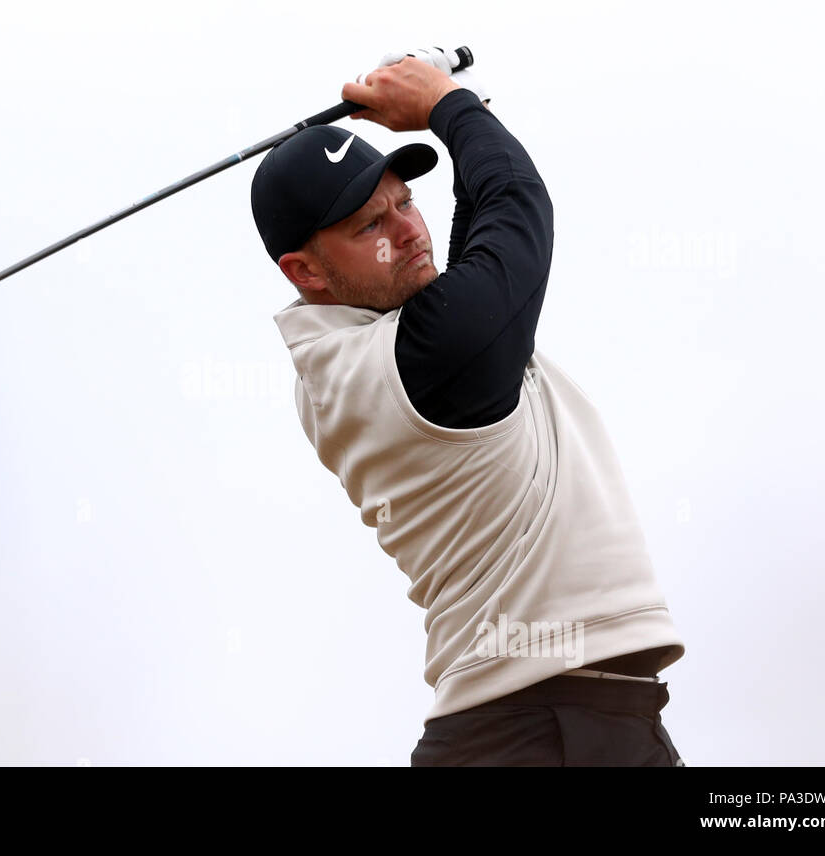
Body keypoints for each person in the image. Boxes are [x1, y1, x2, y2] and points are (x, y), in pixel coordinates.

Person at [249, 52, 688, 766]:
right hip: (537, 729)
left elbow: (481, 230)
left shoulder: (366, 352)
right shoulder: (420, 360)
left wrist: (452, 107)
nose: (410, 231)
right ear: (305, 272)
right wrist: (447, 105)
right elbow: (516, 208)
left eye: (405, 201)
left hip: (571, 719)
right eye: (370, 226)